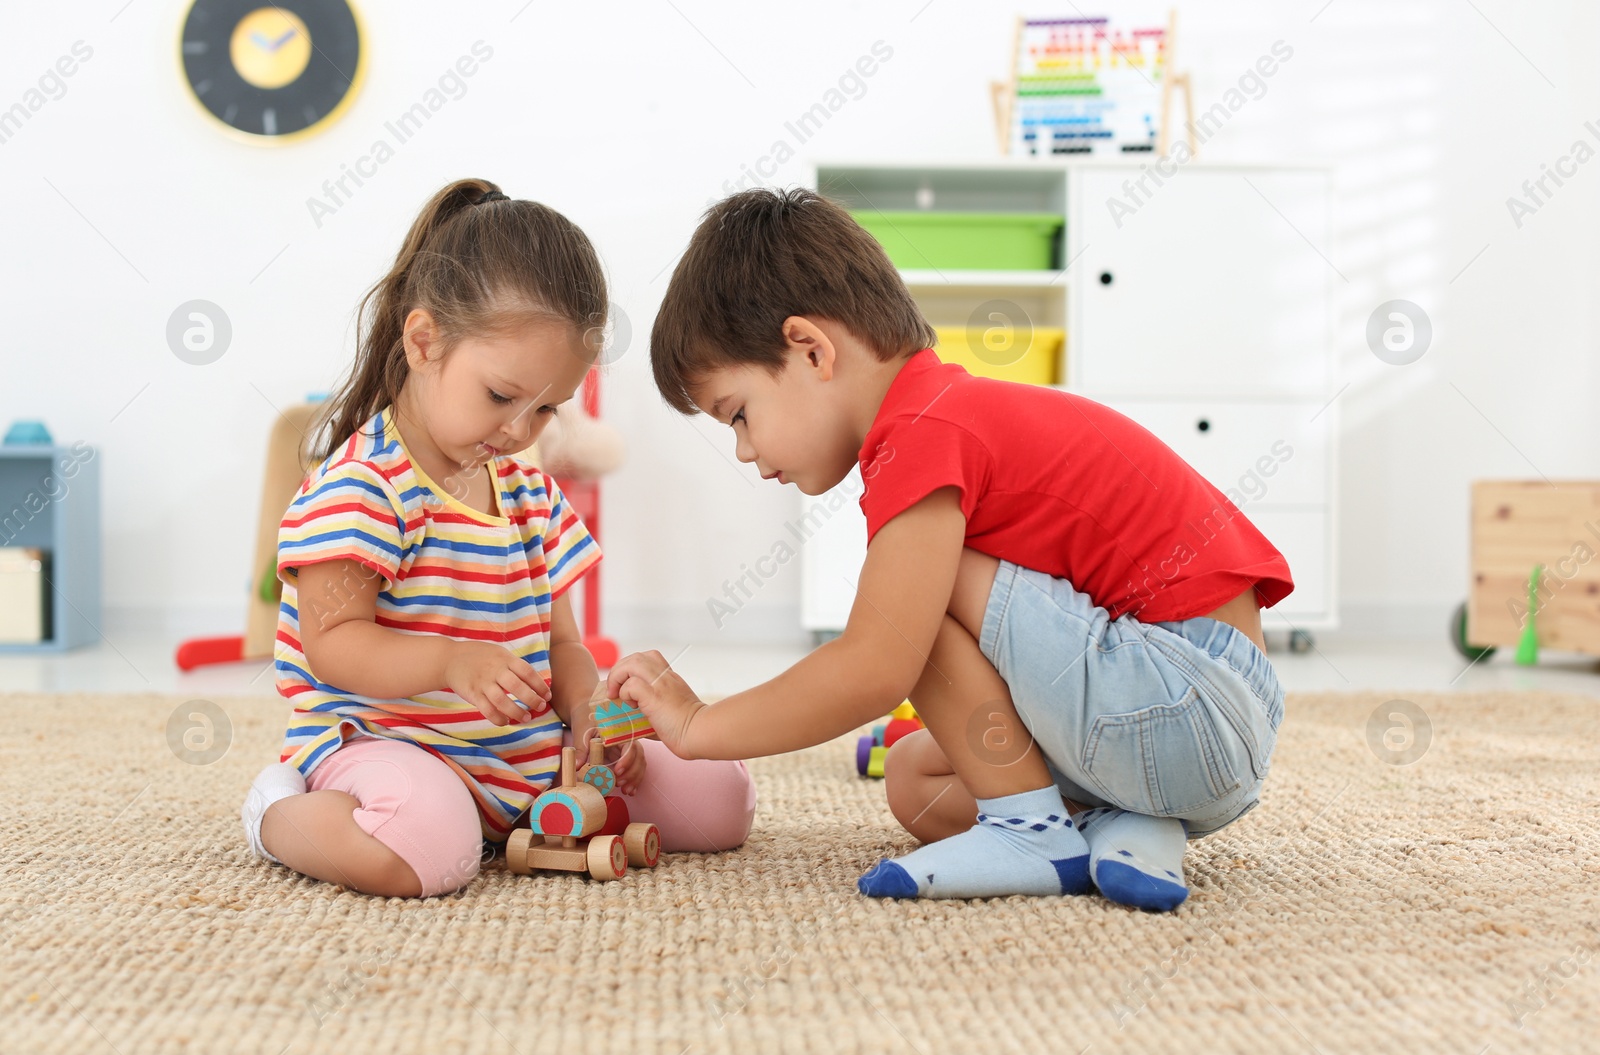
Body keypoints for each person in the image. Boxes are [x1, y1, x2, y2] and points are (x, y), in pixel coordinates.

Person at [609, 188, 1290, 910]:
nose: (745, 451)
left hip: (1185, 694)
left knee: (906, 608)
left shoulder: (925, 429)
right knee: (917, 782)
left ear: (811, 349)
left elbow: (876, 665)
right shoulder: (948, 414)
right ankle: (1127, 823)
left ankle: (1032, 831)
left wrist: (696, 726)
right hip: (1202, 723)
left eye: (739, 415)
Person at [238, 179, 755, 898]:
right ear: (424, 343)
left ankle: (485, 811)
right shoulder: (362, 485)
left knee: (721, 798)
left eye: (547, 408)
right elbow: (333, 645)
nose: (519, 429)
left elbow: (563, 645)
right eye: (502, 396)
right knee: (430, 854)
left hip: (521, 755)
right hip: (389, 744)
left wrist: (588, 713)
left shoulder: (527, 494)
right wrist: (451, 660)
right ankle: (277, 814)